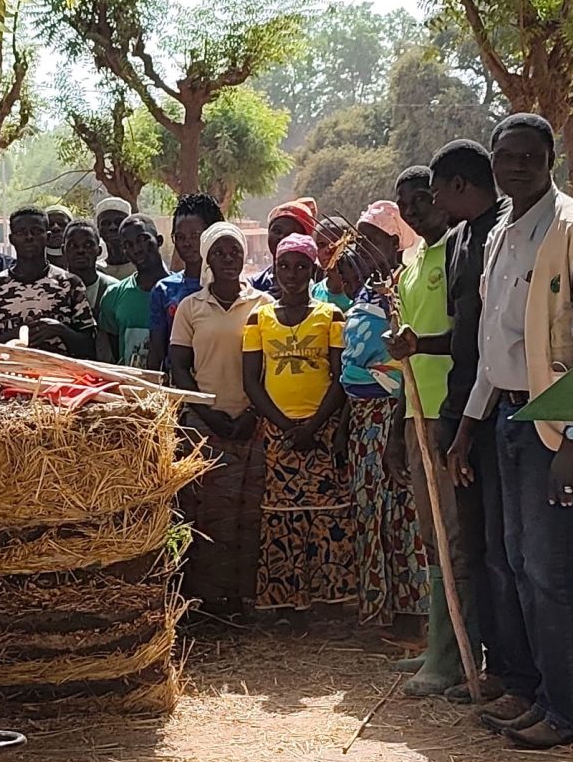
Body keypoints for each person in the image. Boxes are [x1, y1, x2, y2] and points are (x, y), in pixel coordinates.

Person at [449, 114, 573, 750]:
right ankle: (534, 692)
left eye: (529, 156)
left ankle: (570, 713)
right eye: (506, 156)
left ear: (549, 158)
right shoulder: (501, 233)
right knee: (515, 565)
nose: (516, 166)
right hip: (505, 419)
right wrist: (469, 426)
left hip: (558, 428)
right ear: (494, 163)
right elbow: (495, 345)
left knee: (549, 570)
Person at [389, 148, 507, 698]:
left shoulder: (468, 249)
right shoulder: (415, 262)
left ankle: (458, 654)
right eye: (406, 205)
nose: (417, 210)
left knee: (458, 535)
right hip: (419, 408)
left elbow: (466, 336)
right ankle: (444, 643)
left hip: (455, 409)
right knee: (434, 534)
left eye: (425, 199)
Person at [335, 203, 431, 633]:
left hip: (392, 415)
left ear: (394, 244)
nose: (360, 249)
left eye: (370, 239)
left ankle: (413, 612)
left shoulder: (403, 291)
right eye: (357, 239)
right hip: (361, 420)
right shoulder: (365, 291)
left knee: (399, 509)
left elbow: (403, 366)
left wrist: (394, 427)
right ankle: (379, 606)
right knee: (369, 509)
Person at [243, 234, 351, 613]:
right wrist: (286, 427)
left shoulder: (331, 316)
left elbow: (340, 377)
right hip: (279, 434)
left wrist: (313, 427)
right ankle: (286, 603)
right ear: (274, 268)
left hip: (321, 431)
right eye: (284, 265)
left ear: (313, 269)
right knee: (281, 516)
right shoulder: (258, 318)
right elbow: (251, 381)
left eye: (301, 266)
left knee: (327, 514)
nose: (292, 274)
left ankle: (329, 600)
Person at [168, 221, 272, 614]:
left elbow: (268, 367)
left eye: (235, 252)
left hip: (252, 421)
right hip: (204, 422)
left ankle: (243, 597)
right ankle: (207, 600)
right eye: (219, 252)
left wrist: (251, 410)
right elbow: (179, 366)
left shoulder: (262, 305)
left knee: (249, 509)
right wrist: (205, 411)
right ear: (207, 258)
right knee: (209, 511)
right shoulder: (191, 308)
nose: (229, 259)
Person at [0, 207, 97, 354]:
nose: (29, 237)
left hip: (59, 374)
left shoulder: (70, 284)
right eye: (21, 232)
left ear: (48, 237)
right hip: (8, 373)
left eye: (37, 231)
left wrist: (59, 329)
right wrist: (18, 333)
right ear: (12, 239)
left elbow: (89, 345)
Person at [145, 194, 221, 372]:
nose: (187, 243)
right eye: (179, 237)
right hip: (177, 388)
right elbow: (156, 351)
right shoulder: (164, 290)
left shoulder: (233, 288)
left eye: (195, 235)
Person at [96, 216, 166, 366]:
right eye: (128, 245)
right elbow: (115, 349)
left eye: (142, 239)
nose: (137, 249)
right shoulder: (113, 295)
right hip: (131, 386)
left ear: (159, 240)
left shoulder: (178, 292)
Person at [251, 198, 319, 291]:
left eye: (291, 234)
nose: (282, 237)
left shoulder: (320, 287)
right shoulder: (253, 285)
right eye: (277, 231)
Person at [93, 196, 137, 280]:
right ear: (98, 230)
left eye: (118, 222)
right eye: (106, 223)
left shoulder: (142, 268)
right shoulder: (96, 271)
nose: (113, 227)